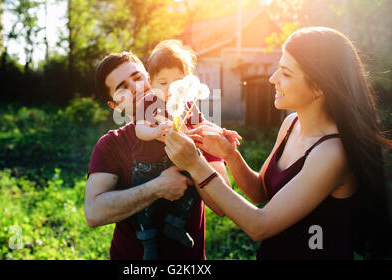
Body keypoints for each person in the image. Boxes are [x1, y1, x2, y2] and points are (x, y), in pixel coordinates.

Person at [164, 27, 391, 260]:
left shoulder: (333, 153)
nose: (273, 78)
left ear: (319, 87)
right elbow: (260, 191)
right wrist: (230, 155)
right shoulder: (292, 124)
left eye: (286, 73)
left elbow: (258, 226)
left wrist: (195, 164)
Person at [84, 51, 231, 260]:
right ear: (114, 106)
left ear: (149, 76)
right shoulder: (111, 145)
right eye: (122, 88)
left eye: (137, 78)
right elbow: (93, 212)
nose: (135, 88)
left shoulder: (195, 127)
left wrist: (193, 159)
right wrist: (157, 188)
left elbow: (223, 205)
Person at [131, 40, 239, 259]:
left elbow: (204, 124)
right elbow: (139, 129)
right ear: (151, 82)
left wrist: (223, 133)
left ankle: (176, 224)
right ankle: (149, 243)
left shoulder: (188, 104)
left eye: (177, 82)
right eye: (163, 82)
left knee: (191, 188)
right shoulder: (148, 101)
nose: (171, 89)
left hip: (181, 164)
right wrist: (154, 131)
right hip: (148, 167)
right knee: (146, 209)